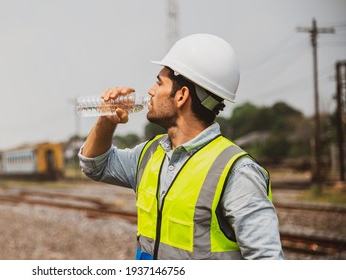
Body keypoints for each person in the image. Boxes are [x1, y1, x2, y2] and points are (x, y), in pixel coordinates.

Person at [78, 34, 284, 260]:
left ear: (181, 96)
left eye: (159, 82)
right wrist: (106, 120)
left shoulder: (237, 172)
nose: (150, 91)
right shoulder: (150, 154)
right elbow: (94, 165)